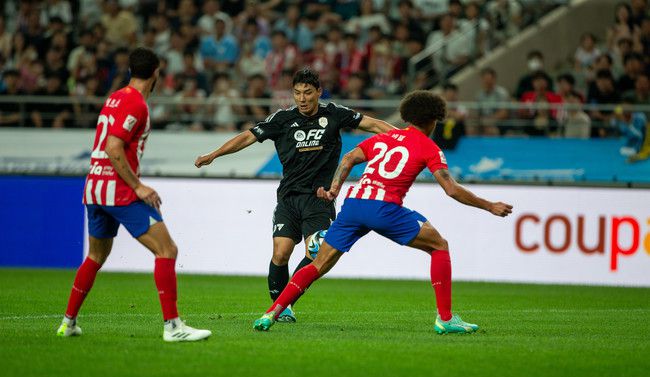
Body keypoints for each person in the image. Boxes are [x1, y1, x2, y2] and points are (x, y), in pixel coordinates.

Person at [252, 90, 513, 334]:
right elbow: (452, 189)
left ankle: (271, 313)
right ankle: (445, 319)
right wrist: (489, 205)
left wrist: (334, 190)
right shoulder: (429, 147)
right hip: (383, 208)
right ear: (433, 119)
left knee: (318, 263)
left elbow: (349, 158)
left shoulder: (384, 138)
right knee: (439, 245)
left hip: (354, 205)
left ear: (407, 116)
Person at [195, 68, 395, 322]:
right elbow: (247, 137)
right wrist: (214, 154)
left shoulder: (334, 113)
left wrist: (403, 138)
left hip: (319, 199)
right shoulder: (282, 119)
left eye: (308, 93)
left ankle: (282, 305)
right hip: (288, 198)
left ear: (319, 92)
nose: (302, 98)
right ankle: (282, 308)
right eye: (297, 93)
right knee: (281, 253)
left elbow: (373, 124)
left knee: (316, 252)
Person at [56, 47, 211, 342]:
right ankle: (173, 327)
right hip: (119, 191)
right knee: (167, 250)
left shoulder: (114, 97)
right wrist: (138, 186)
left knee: (96, 255)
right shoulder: (136, 103)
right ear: (156, 73)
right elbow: (113, 147)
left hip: (94, 188)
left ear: (130, 71)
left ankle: (68, 322)